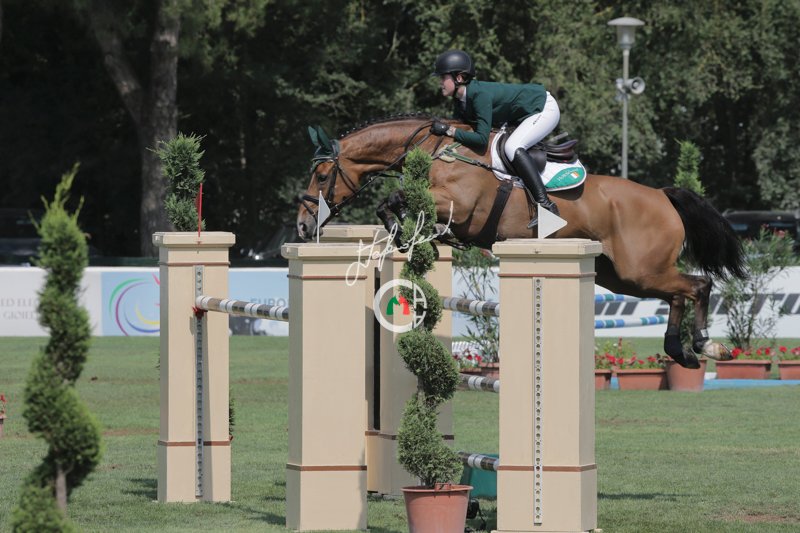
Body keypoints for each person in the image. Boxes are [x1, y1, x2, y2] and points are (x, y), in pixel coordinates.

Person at [429, 49, 560, 228]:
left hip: (543, 107)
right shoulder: (460, 101)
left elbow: (481, 140)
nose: (440, 83)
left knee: (512, 147)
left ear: (458, 78)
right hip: (520, 116)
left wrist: (448, 130)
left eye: (443, 77)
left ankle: (546, 206)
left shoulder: (479, 95)